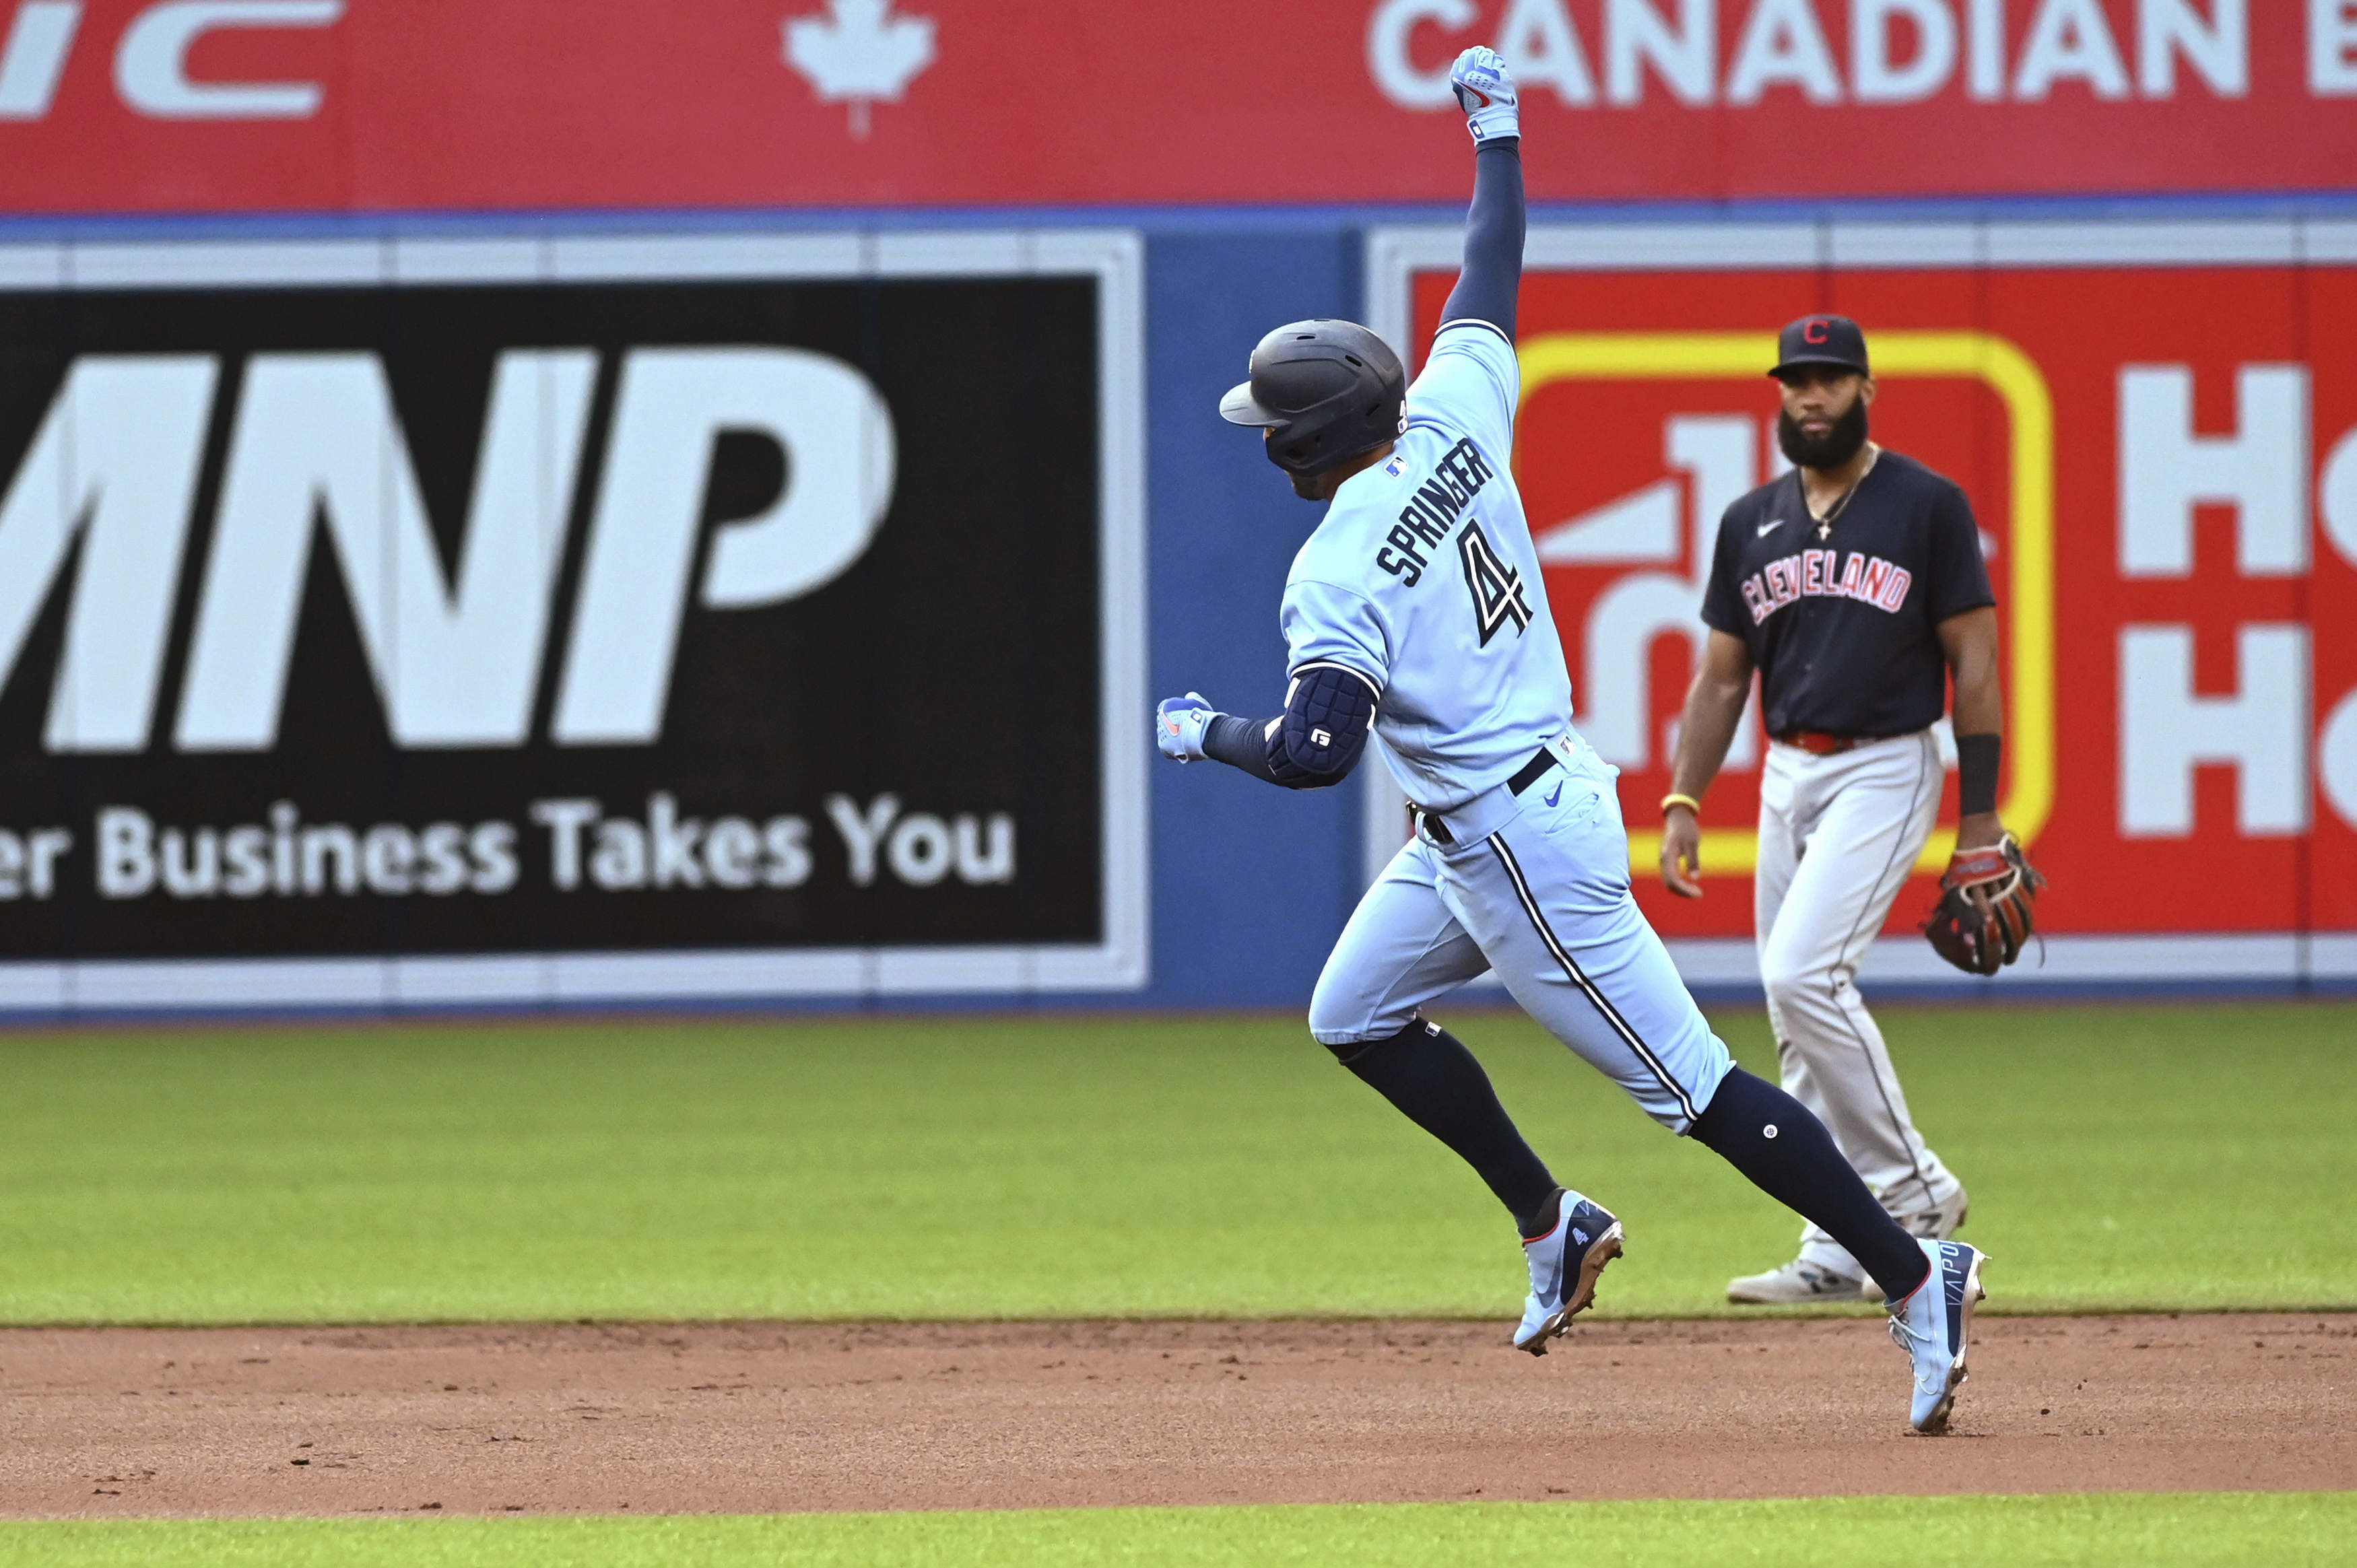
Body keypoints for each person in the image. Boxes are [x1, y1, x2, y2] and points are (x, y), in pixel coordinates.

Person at [1155, 49, 1983, 1434]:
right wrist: (1498, 132)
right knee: (1350, 1012)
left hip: (1522, 844)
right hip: (1494, 811)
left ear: (1301, 446)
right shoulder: (1450, 413)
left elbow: (1310, 753)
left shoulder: (1336, 570)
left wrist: (1202, 734)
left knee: (1699, 1093)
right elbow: (1493, 259)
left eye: (1269, 426)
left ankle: (1915, 1273)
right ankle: (1553, 1223)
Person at [1660, 316, 2003, 1305]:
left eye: (1830, 380)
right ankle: (1836, 1236)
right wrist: (1687, 794)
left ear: (1867, 388)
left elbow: (1974, 661)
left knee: (1803, 972)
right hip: (1785, 771)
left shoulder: (1925, 505)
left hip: (1886, 764)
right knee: (1787, 1004)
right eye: (1796, 381)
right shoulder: (1750, 518)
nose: (1811, 397)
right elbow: (1723, 676)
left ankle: (1914, 1190)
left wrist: (1978, 820)